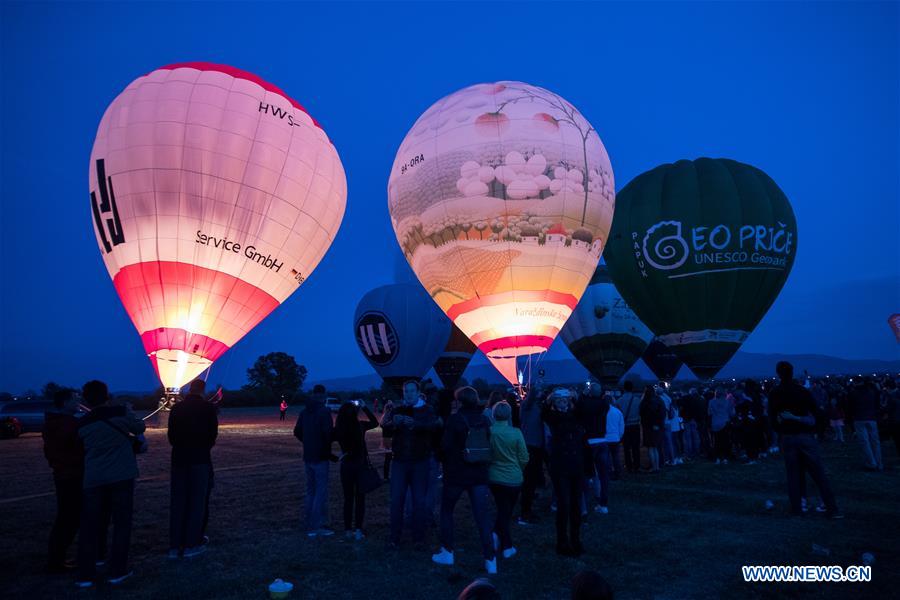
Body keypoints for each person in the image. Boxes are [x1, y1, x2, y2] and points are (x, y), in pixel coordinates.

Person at [75, 380, 145, 588]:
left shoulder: (83, 423)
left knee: (90, 525)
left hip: (93, 479)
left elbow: (79, 444)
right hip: (121, 476)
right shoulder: (119, 412)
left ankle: (86, 573)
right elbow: (140, 426)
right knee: (121, 524)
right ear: (107, 396)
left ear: (86, 398)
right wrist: (130, 411)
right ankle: (117, 570)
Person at [433, 386, 496, 573]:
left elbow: (445, 446)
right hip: (479, 474)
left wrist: (441, 457)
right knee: (482, 516)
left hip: (456, 475)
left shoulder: (454, 420)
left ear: (459, 401)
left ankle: (447, 552)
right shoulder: (485, 419)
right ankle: (490, 559)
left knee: (447, 511)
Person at [769, 361, 842, 519]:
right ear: (792, 372)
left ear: (778, 373)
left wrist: (781, 428)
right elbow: (817, 412)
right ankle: (832, 508)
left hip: (788, 437)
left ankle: (797, 508)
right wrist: (814, 430)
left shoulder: (775, 392)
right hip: (805, 435)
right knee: (818, 473)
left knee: (793, 474)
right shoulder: (802, 391)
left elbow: (772, 418)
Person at [382, 380, 441, 548]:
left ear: (418, 392)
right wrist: (394, 421)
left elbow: (433, 427)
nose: (408, 394)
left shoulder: (427, 410)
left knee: (419, 500)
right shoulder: (398, 409)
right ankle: (394, 537)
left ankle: (418, 537)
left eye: (411, 391)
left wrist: (415, 425)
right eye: (406, 391)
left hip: (419, 462)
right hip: (399, 461)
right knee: (396, 500)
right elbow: (386, 429)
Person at [168, 379, 218, 558]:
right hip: (200, 459)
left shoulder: (176, 409)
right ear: (203, 390)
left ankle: (174, 546)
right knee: (197, 502)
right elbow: (213, 435)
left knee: (178, 502)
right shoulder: (208, 409)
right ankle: (192, 544)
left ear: (190, 389)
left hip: (179, 460)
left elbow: (171, 437)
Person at [43, 389, 84, 573]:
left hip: (62, 474)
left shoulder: (53, 423)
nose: (79, 401)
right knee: (69, 518)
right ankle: (56, 560)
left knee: (66, 517)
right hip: (72, 475)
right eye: (75, 398)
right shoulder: (68, 425)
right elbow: (76, 448)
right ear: (66, 402)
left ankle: (56, 557)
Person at [543, 388, 585, 556]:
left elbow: (583, 412)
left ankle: (576, 539)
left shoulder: (575, 416)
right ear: (555, 404)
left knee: (576, 505)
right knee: (564, 505)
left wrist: (577, 398)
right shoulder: (553, 419)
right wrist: (548, 400)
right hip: (560, 466)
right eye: (559, 402)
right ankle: (562, 542)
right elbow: (544, 414)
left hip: (575, 465)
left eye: (565, 401)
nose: (562, 404)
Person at [488, 401, 529, 559]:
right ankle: (507, 545)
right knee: (506, 511)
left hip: (495, 477)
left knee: (503, 510)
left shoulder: (489, 432)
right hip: (513, 478)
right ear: (510, 415)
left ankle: (495, 535)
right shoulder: (516, 433)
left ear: (493, 414)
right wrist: (518, 468)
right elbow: (524, 456)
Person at [293, 384, 335, 537]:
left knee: (310, 490)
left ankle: (310, 522)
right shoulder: (324, 411)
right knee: (320, 492)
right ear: (323, 395)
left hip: (308, 456)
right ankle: (316, 526)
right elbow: (328, 433)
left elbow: (296, 431)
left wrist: (307, 441)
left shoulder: (305, 412)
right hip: (320, 457)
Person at [334, 400, 379, 539]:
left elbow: (326, 439)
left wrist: (335, 456)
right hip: (360, 465)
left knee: (348, 499)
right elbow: (375, 422)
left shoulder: (339, 428)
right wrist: (364, 407)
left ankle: (348, 530)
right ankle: (358, 530)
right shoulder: (360, 426)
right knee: (360, 499)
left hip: (346, 466)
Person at [518, 386, 546, 525]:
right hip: (530, 446)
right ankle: (525, 512)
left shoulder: (537, 407)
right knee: (528, 480)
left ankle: (527, 507)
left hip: (538, 446)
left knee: (533, 479)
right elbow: (530, 397)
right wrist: (536, 386)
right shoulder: (526, 406)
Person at [581, 384, 611, 512]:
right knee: (603, 475)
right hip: (602, 440)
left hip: (589, 441)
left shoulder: (585, 403)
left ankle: (584, 504)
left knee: (586, 475)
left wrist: (583, 394)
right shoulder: (604, 404)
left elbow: (579, 407)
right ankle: (603, 504)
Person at [847, 378, 884, 471]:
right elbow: (877, 404)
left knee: (864, 442)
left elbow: (849, 407)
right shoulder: (872, 391)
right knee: (875, 441)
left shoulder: (853, 393)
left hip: (859, 418)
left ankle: (871, 463)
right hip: (872, 418)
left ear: (856, 383)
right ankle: (879, 463)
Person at [639, 387, 665, 472]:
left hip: (648, 427)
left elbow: (642, 414)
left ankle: (654, 467)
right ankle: (657, 466)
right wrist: (659, 424)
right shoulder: (659, 400)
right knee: (655, 447)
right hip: (657, 427)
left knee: (651, 448)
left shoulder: (645, 402)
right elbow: (662, 413)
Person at [618, 381, 641, 473]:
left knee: (626, 448)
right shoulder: (637, 400)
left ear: (624, 388)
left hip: (625, 426)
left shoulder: (619, 401)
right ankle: (637, 465)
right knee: (636, 447)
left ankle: (628, 466)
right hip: (635, 425)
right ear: (632, 388)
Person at [708, 388, 734, 464]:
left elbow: (709, 413)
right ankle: (725, 458)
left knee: (716, 441)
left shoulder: (711, 402)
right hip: (725, 423)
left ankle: (718, 458)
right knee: (725, 441)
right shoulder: (727, 402)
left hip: (715, 423)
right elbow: (731, 413)